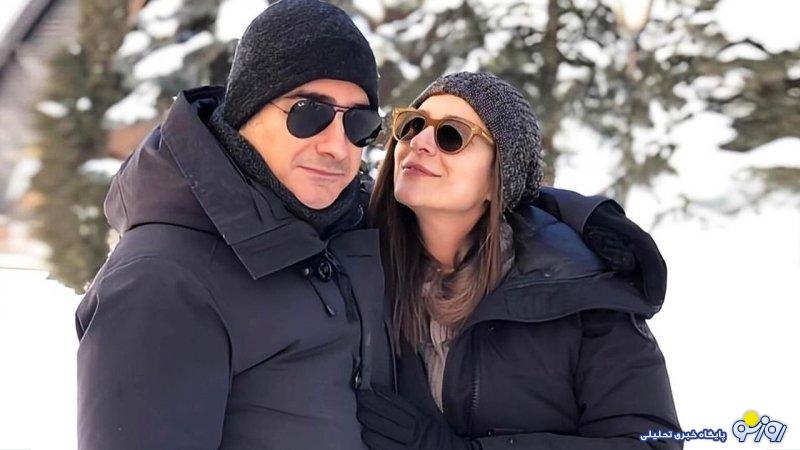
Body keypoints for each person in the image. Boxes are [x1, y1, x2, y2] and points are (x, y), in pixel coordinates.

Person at [74, 1, 394, 449]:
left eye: (359, 123)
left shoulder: (341, 239)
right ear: (246, 110)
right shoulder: (162, 282)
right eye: (309, 113)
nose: (337, 147)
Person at [358, 72, 682, 449]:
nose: (420, 142)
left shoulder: (581, 291)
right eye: (413, 125)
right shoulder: (358, 271)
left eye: (451, 135)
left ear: (500, 176)